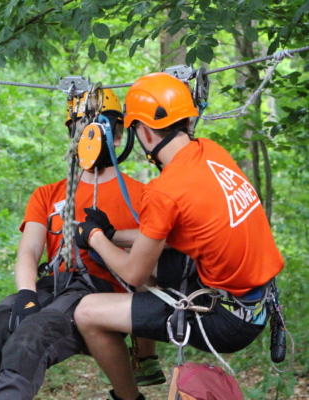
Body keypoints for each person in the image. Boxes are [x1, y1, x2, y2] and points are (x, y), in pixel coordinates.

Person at [73, 72, 285, 400]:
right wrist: (114, 235)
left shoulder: (165, 190)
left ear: (142, 131)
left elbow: (134, 272)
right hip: (252, 299)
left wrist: (95, 236)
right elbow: (189, 232)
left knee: (86, 312)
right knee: (118, 254)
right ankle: (146, 359)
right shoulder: (210, 152)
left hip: (229, 319)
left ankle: (130, 398)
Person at [0, 89, 166, 400]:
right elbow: (29, 250)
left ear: (120, 136)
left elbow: (159, 249)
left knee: (32, 336)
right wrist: (26, 294)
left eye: (99, 128)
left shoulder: (142, 196)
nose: (89, 136)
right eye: (81, 128)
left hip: (102, 291)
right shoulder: (48, 194)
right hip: (53, 284)